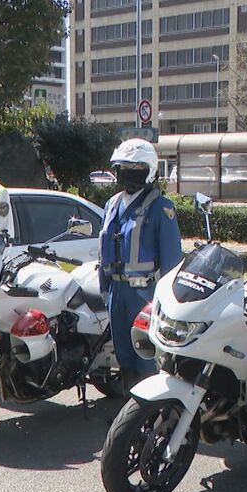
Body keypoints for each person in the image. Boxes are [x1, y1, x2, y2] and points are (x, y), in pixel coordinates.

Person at [98, 138, 183, 395]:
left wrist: (166, 304)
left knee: (146, 357)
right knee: (123, 354)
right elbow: (104, 257)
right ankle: (128, 407)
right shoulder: (112, 205)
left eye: (135, 169)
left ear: (149, 171)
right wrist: (106, 291)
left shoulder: (161, 208)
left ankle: (148, 415)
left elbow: (171, 260)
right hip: (117, 292)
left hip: (145, 294)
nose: (127, 174)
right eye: (123, 168)